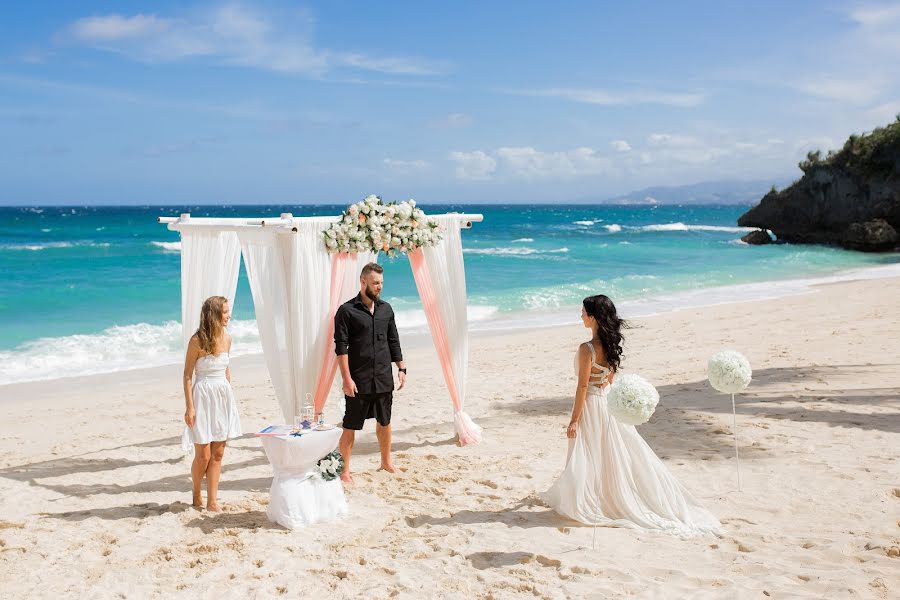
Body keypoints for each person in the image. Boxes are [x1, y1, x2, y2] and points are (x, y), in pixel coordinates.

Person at [541, 294, 721, 536]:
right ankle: (605, 497)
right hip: (606, 403)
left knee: (590, 454)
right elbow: (609, 381)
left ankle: (593, 501)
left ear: (593, 317)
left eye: (583, 312)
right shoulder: (610, 345)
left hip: (592, 405)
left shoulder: (587, 349)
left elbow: (583, 387)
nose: (581, 315)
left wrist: (574, 419)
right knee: (609, 453)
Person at [334, 263, 406, 483]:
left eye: (381, 283)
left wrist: (401, 368)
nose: (379, 287)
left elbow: (394, 340)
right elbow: (341, 347)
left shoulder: (386, 309)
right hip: (359, 379)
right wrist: (347, 379)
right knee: (350, 425)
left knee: (385, 422)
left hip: (383, 377)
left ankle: (386, 462)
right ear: (363, 282)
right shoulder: (346, 311)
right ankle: (344, 471)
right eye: (376, 283)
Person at [181, 296, 242, 512]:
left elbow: (226, 369)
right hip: (202, 397)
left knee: (218, 453)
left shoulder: (228, 339)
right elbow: (188, 375)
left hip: (222, 396)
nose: (229, 316)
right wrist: (190, 407)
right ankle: (197, 492)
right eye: (225, 312)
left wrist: (228, 395)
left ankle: (212, 501)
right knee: (203, 455)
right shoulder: (196, 341)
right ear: (214, 314)